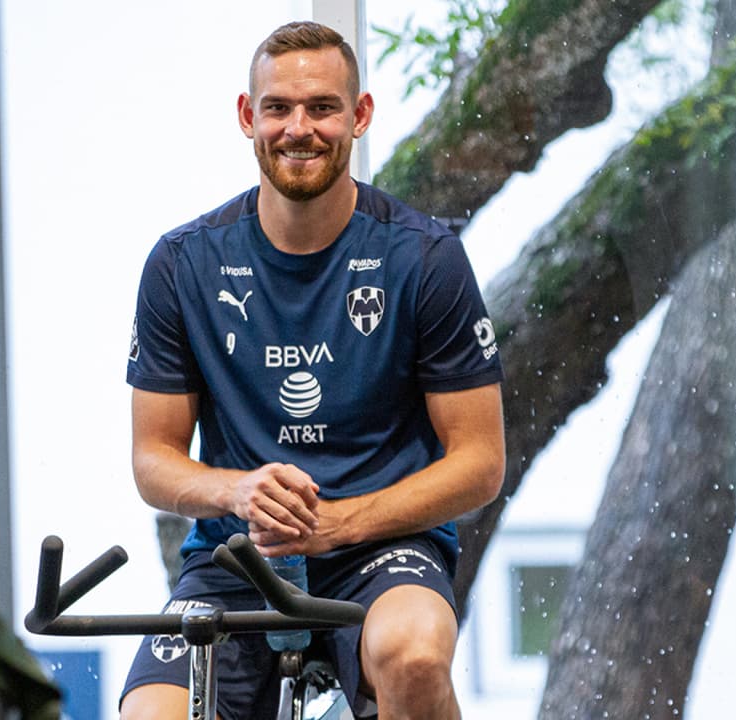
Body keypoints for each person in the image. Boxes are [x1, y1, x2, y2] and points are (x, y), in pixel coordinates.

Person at [121, 20, 505, 720]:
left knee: (415, 658)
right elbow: (153, 462)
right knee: (150, 715)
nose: (299, 129)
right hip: (238, 559)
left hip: (386, 550)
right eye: (279, 108)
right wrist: (239, 491)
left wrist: (337, 524)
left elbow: (480, 462)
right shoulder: (182, 263)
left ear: (359, 115)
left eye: (323, 107)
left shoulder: (424, 258)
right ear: (249, 116)